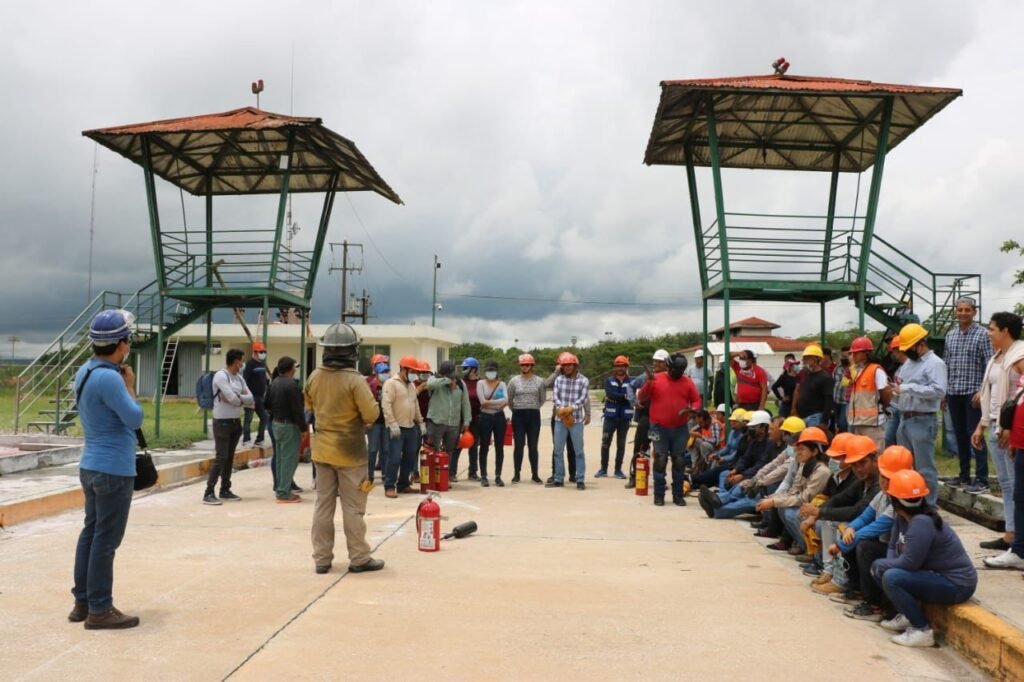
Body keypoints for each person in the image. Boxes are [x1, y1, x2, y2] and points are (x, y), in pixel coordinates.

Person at [70, 309, 144, 629]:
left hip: (90, 464)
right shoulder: (111, 378)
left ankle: (83, 602)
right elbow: (135, 418)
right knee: (106, 540)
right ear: (122, 344)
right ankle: (100, 609)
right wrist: (130, 386)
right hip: (113, 469)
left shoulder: (84, 371)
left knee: (91, 533)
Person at [304, 323, 384, 575]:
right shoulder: (355, 380)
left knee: (323, 506)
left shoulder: (314, 377)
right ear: (352, 351)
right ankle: (359, 557)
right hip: (350, 453)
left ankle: (321, 559)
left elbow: (309, 407)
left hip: (322, 451)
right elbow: (371, 414)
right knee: (353, 508)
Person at [870, 469, 977, 647]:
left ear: (894, 500)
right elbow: (893, 546)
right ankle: (907, 614)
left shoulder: (922, 522)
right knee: (883, 569)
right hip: (934, 576)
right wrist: (883, 565)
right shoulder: (903, 518)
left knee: (891, 576)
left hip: (956, 584)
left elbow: (909, 563)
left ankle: (922, 630)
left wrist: (882, 565)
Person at [837, 445, 913, 621]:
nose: (884, 482)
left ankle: (874, 605)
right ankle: (857, 590)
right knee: (849, 534)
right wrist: (850, 529)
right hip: (891, 547)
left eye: (889, 478)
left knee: (863, 546)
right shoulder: (883, 495)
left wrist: (842, 544)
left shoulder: (901, 498)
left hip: (902, 551)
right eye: (883, 477)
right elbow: (866, 517)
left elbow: (879, 525)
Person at [973, 313, 1024, 552]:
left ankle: (1018, 539)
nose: (988, 332)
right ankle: (1011, 534)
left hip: (1009, 429)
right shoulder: (997, 357)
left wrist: (1011, 425)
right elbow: (991, 394)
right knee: (1006, 483)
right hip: (995, 425)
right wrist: (982, 424)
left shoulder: (1019, 355)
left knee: (1016, 484)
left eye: (992, 328)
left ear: (1005, 331)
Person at [893, 323, 948, 506]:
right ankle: (910, 502)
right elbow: (903, 386)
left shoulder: (935, 364)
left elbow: (938, 391)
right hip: (905, 417)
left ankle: (929, 505)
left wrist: (908, 388)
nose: (906, 352)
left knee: (924, 467)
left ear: (921, 344)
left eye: (909, 348)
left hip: (923, 419)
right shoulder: (908, 364)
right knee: (905, 465)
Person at [637, 353, 701, 506]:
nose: (676, 373)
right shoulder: (656, 379)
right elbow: (641, 398)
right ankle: (659, 495)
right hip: (659, 427)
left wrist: (693, 409)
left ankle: (678, 495)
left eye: (679, 371)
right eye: (673, 370)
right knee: (660, 459)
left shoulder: (687, 382)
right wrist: (649, 383)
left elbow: (696, 400)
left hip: (680, 428)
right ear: (668, 367)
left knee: (679, 461)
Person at [944, 297, 994, 493]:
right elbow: (947, 364)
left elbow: (990, 364)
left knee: (975, 435)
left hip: (973, 393)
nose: (963, 313)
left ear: (974, 312)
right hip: (954, 392)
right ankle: (964, 475)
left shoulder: (983, 334)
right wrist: (944, 392)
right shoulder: (950, 335)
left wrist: (983, 390)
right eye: (960, 310)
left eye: (967, 310)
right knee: (960, 435)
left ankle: (982, 479)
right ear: (955, 312)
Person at [756, 426, 831, 555]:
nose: (797, 453)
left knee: (790, 513)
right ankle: (804, 545)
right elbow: (794, 490)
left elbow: (804, 498)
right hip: (805, 507)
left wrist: (774, 502)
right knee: (781, 507)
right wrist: (775, 498)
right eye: (797, 449)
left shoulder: (822, 471)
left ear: (814, 451)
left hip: (814, 511)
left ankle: (812, 551)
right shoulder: (804, 465)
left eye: (802, 449)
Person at [204, 348, 255, 505]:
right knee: (221, 457)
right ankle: (209, 492)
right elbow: (233, 399)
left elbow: (250, 398)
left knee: (229, 457)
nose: (243, 364)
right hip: (222, 422)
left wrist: (238, 398)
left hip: (235, 422)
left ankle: (225, 489)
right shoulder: (221, 376)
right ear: (236, 361)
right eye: (242, 361)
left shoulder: (239, 378)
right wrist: (239, 399)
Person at [381, 356, 426, 498]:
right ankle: (389, 486)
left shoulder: (411, 385)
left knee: (409, 457)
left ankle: (403, 484)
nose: (414, 374)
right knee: (394, 458)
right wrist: (392, 423)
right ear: (403, 369)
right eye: (412, 371)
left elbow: (415, 404)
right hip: (396, 427)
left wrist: (420, 421)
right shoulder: (391, 383)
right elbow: (386, 404)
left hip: (410, 427)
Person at [265, 356, 306, 503]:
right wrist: (303, 428)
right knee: (289, 459)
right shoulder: (292, 385)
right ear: (291, 369)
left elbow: (266, 404)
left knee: (280, 459)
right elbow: (297, 410)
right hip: (289, 426)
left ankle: (281, 488)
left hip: (276, 424)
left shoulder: (274, 383)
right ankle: (283, 493)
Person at [625, 349, 668, 489]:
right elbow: (630, 386)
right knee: (640, 448)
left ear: (666, 363)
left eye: (660, 362)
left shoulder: (670, 378)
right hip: (646, 417)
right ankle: (634, 477)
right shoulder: (645, 377)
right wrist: (633, 401)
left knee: (661, 451)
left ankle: (660, 480)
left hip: (662, 420)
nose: (656, 364)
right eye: (655, 361)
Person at [546, 352, 590, 490]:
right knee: (558, 450)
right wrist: (562, 410)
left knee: (578, 451)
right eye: (564, 365)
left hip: (576, 420)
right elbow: (555, 397)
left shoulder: (584, 380)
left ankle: (580, 479)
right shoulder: (559, 380)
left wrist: (572, 408)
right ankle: (559, 478)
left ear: (575, 365)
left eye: (570, 365)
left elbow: (583, 398)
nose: (567, 367)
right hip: (560, 420)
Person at [425, 361, 471, 471]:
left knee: (449, 451)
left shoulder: (460, 383)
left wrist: (466, 421)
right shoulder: (434, 379)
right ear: (442, 374)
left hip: (453, 424)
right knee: (433, 449)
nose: (452, 377)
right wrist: (447, 381)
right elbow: (429, 385)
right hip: (436, 422)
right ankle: (432, 475)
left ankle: (445, 474)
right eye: (449, 375)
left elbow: (465, 403)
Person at [847, 336, 891, 449]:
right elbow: (844, 383)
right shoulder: (857, 371)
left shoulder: (876, 370)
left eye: (855, 353)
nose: (853, 356)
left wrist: (883, 406)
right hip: (858, 422)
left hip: (873, 424)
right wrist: (851, 366)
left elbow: (885, 393)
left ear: (865, 353)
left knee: (875, 454)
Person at [508, 353, 545, 483]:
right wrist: (517, 409)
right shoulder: (513, 381)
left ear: (532, 366)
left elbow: (542, 399)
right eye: (522, 365)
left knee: (533, 445)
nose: (524, 367)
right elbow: (510, 399)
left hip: (534, 415)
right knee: (519, 445)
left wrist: (532, 406)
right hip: (518, 415)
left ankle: (535, 474)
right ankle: (516, 474)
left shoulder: (539, 381)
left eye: (527, 365)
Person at [598, 355, 634, 479]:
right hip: (610, 417)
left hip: (624, 418)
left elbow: (632, 395)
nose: (620, 368)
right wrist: (625, 396)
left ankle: (618, 470)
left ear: (626, 367)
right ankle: (603, 469)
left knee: (621, 445)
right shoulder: (609, 380)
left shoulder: (632, 382)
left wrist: (622, 396)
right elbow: (610, 394)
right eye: (618, 366)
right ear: (614, 367)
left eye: (622, 366)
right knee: (605, 443)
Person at [476, 360, 509, 487]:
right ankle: (484, 476)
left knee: (499, 447)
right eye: (489, 370)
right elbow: (482, 402)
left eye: (493, 370)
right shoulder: (481, 383)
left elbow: (506, 400)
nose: (491, 373)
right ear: (485, 371)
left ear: (496, 371)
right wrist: (497, 402)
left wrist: (489, 402)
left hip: (499, 416)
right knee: (484, 446)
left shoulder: (502, 384)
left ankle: (498, 476)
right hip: (485, 417)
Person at [452, 357, 481, 480]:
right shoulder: (460, 382)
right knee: (457, 446)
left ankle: (473, 472)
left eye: (466, 368)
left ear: (474, 369)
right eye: (463, 368)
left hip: (475, 419)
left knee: (473, 447)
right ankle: (452, 472)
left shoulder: (480, 383)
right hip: (460, 419)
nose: (464, 370)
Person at [792, 345, 834, 427]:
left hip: (816, 418)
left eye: (806, 359)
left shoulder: (825, 377)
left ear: (815, 359)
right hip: (803, 417)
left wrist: (824, 421)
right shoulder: (807, 376)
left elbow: (829, 400)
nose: (803, 362)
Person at [365, 359, 390, 484]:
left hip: (386, 422)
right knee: (372, 450)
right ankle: (369, 475)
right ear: (377, 373)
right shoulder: (370, 386)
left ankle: (385, 474)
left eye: (386, 372)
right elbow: (366, 404)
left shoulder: (389, 386)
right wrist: (367, 420)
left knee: (386, 450)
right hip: (374, 423)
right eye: (383, 372)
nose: (385, 374)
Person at [242, 341, 269, 447]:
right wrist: (248, 397)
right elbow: (244, 381)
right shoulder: (250, 364)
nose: (263, 354)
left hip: (260, 397)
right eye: (260, 352)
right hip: (251, 397)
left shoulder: (262, 364)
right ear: (255, 352)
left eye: (264, 352)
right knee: (248, 418)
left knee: (265, 417)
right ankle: (246, 440)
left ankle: (259, 439)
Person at [884, 335, 906, 447]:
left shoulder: (913, 367)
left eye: (895, 351)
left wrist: (898, 389)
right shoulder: (897, 366)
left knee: (902, 440)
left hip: (905, 407)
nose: (894, 355)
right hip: (894, 406)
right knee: (887, 437)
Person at [831, 347, 852, 433]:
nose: (843, 359)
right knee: (837, 423)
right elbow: (834, 383)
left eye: (845, 357)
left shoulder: (853, 369)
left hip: (846, 401)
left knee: (843, 423)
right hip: (836, 400)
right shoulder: (837, 368)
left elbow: (847, 383)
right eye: (842, 356)